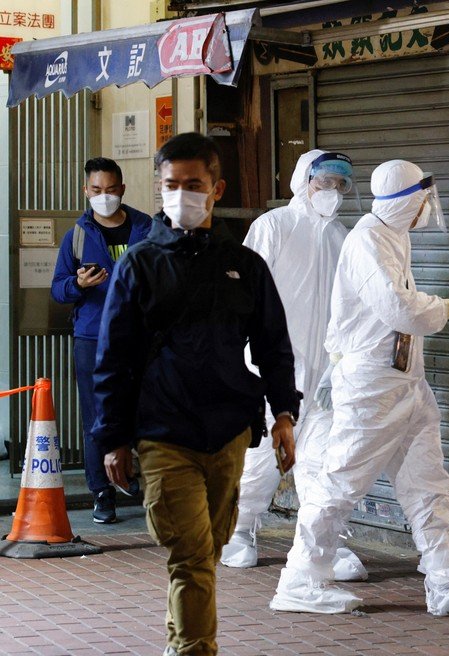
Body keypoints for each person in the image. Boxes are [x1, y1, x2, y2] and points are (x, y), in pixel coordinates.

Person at [270, 159, 449, 617]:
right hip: (372, 389)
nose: (428, 207)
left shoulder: (392, 237)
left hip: (404, 384)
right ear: (408, 201)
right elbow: (399, 310)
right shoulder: (366, 240)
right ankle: (301, 579)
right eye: (423, 198)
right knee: (341, 481)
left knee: (428, 483)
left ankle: (447, 580)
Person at [91, 132, 299, 656]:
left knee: (206, 552)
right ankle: (194, 650)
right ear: (158, 189)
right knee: (189, 554)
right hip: (163, 432)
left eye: (193, 185)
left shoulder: (244, 265)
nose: (181, 194)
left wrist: (284, 415)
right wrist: (113, 439)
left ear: (216, 189)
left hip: (228, 432)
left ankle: (178, 643)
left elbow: (274, 346)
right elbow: (112, 359)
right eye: (170, 185)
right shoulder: (138, 264)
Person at [220, 150, 367, 581]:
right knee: (261, 458)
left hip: (323, 374)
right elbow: (242, 293)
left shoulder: (343, 236)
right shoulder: (273, 227)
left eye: (340, 185)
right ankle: (239, 531)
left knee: (322, 461)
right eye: (324, 183)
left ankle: (321, 543)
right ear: (304, 181)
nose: (332, 192)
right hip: (274, 369)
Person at [50, 157, 152, 524]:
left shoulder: (147, 228)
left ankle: (138, 480)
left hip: (139, 337)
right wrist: (78, 284)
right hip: (92, 338)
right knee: (97, 417)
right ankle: (102, 493)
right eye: (97, 190)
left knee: (146, 411)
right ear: (86, 191)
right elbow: (58, 289)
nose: (104, 196)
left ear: (122, 189)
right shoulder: (77, 235)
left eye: (110, 190)